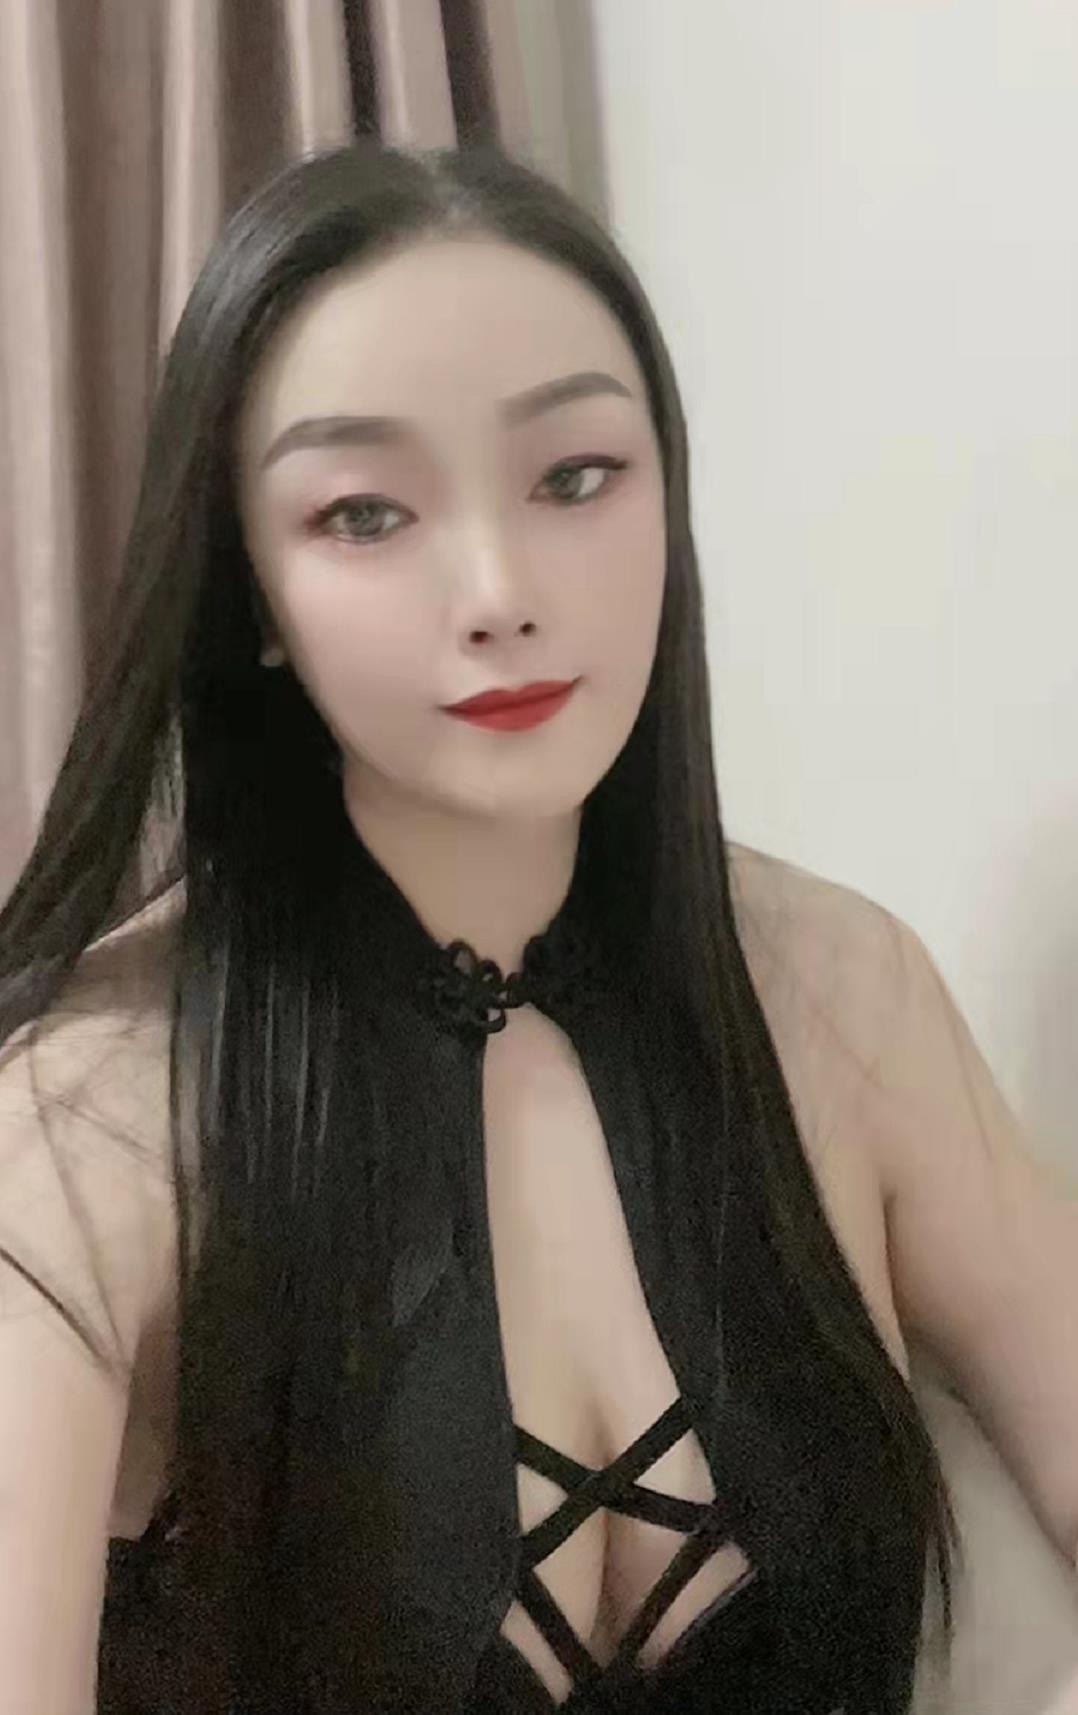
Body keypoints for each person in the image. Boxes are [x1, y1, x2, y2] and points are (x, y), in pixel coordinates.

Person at [0, 141, 1075, 1715]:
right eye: (365, 512)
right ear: (249, 592)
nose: (498, 589)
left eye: (574, 477)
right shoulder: (84, 1121)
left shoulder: (845, 994)